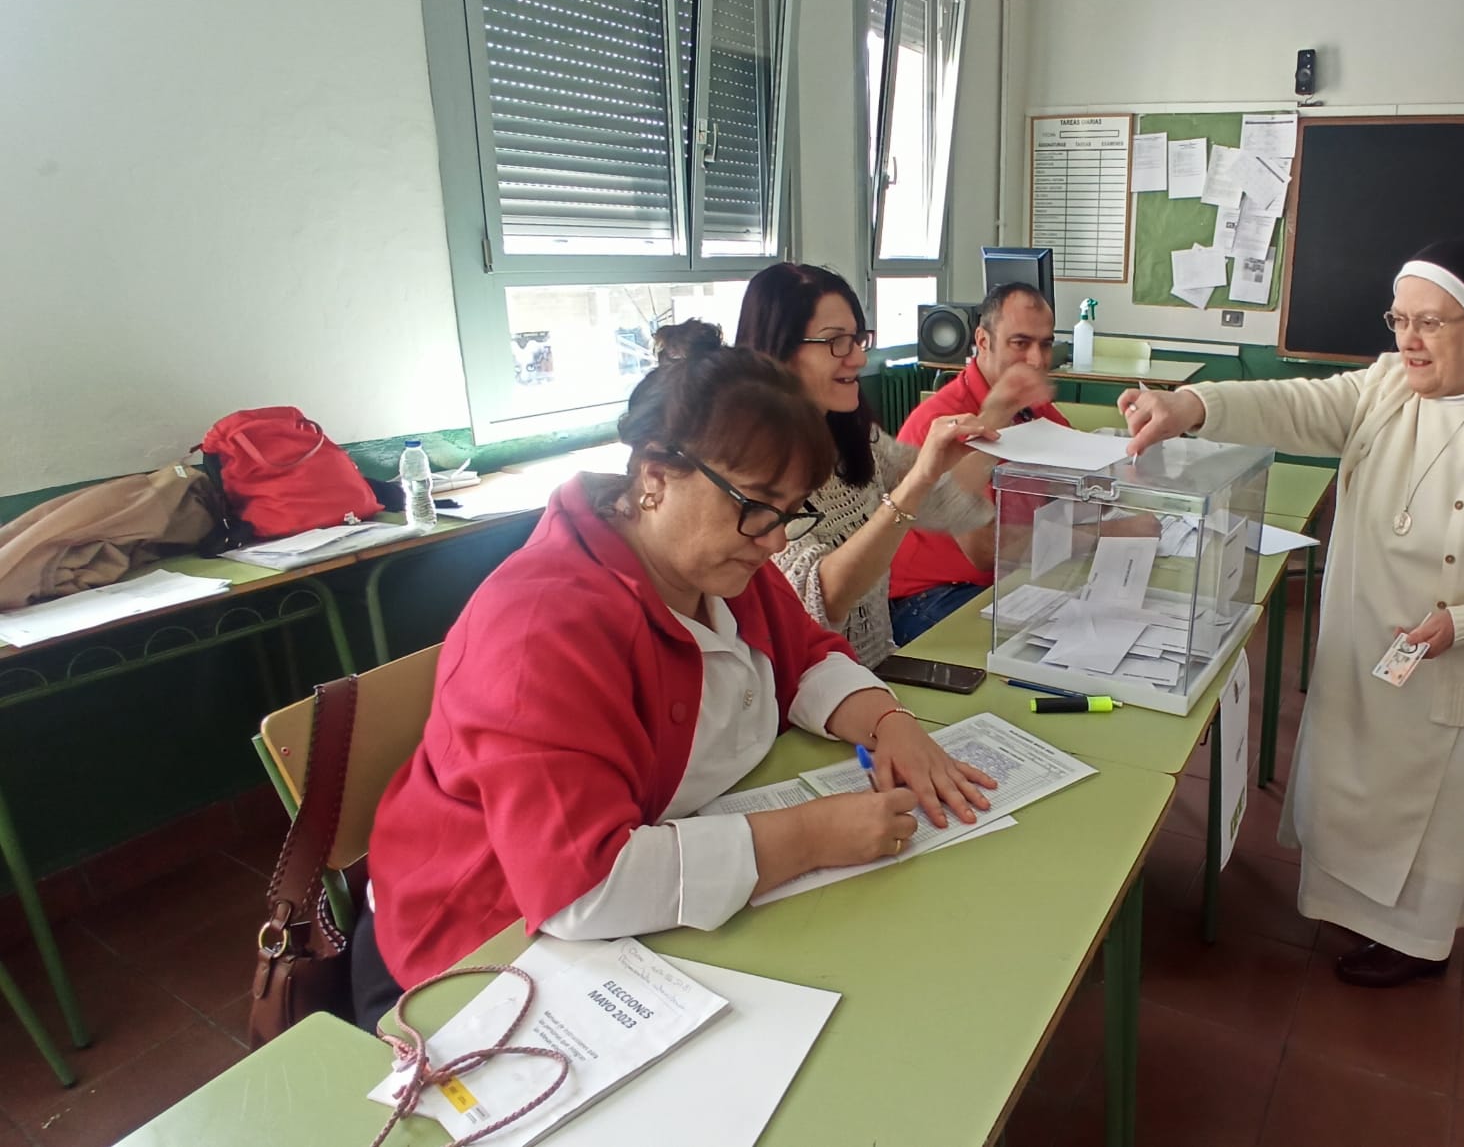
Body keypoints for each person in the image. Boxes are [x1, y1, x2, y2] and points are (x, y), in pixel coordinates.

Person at [358, 322, 996, 1019]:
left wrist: (887, 720)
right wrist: (809, 836)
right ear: (656, 478)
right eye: (756, 506)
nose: (777, 539)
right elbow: (581, 884)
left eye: (789, 512)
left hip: (642, 889)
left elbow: (804, 654)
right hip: (481, 951)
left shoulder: (716, 561)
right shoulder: (541, 628)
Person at [1120, 239, 1464, 987]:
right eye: (1398, 320)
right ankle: (1360, 911)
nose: (1407, 341)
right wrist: (1192, 404)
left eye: (1430, 324)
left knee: (1436, 819)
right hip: (1370, 645)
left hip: (1460, 662)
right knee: (1358, 787)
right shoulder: (1392, 383)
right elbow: (1303, 403)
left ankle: (1421, 945)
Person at [734, 263, 995, 666]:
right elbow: (820, 600)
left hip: (872, 675)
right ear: (779, 351)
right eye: (836, 342)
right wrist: (917, 483)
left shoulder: (858, 439)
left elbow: (954, 509)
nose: (857, 357)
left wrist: (988, 441)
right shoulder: (754, 467)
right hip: (806, 698)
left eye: (858, 338)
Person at [888, 282, 1067, 645]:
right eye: (1020, 343)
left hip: (1006, 582)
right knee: (1049, 650)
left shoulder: (1030, 406)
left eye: (1046, 344)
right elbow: (987, 550)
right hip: (932, 596)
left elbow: (1077, 476)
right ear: (983, 341)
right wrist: (1104, 534)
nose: (1037, 360)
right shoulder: (941, 421)